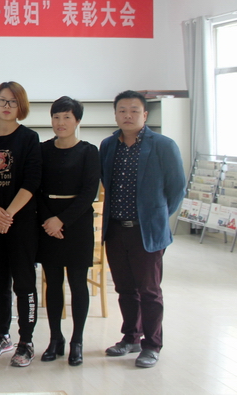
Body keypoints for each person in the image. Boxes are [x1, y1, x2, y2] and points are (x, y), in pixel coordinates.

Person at [100, 90, 184, 368]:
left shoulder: (163, 145)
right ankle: (131, 337)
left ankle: (152, 345)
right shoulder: (108, 145)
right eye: (122, 110)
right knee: (124, 288)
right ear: (115, 115)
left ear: (145, 115)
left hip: (146, 232)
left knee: (149, 290)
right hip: (115, 229)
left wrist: (157, 216)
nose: (128, 115)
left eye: (134, 110)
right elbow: (106, 182)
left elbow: (177, 188)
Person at [0, 81, 42, 367]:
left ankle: (26, 340)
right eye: (2, 100)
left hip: (21, 222)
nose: (6, 106)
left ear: (21, 106)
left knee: (24, 283)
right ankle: (3, 334)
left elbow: (32, 182)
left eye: (12, 102)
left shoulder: (29, 138)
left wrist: (8, 215)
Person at [37, 96, 100, 367]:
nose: (60, 122)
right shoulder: (42, 149)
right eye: (56, 117)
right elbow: (35, 188)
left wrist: (61, 221)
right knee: (52, 283)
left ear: (77, 121)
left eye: (66, 117)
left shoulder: (89, 151)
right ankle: (55, 339)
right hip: (47, 223)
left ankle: (77, 341)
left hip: (77, 224)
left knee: (77, 283)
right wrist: (48, 220)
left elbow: (89, 192)